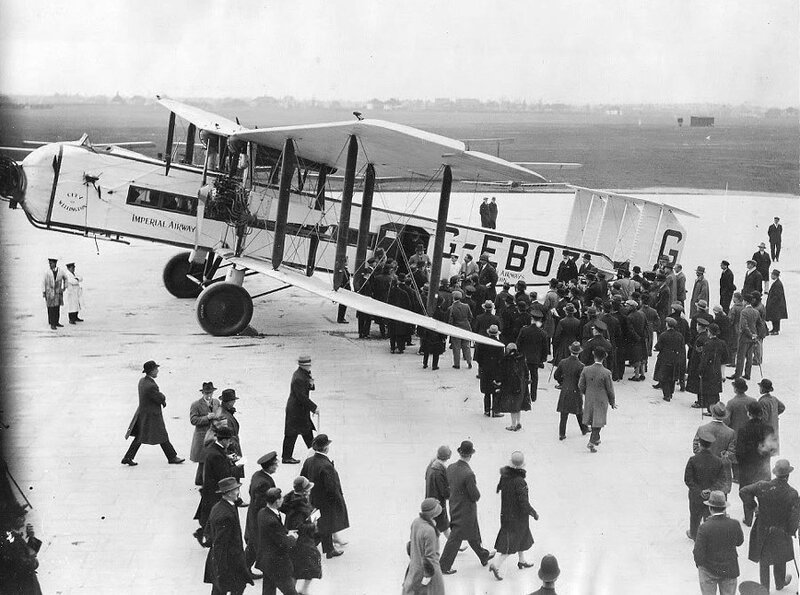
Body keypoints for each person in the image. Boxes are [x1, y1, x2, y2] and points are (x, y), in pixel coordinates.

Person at [739, 459, 800, 592]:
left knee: (764, 559)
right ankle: (780, 583)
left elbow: (743, 491)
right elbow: (795, 516)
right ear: (788, 475)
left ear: (775, 473)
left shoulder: (762, 486)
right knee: (780, 556)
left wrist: (754, 507)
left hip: (763, 528)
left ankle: (764, 588)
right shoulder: (792, 493)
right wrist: (791, 531)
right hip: (781, 531)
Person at [439, 440, 495, 574]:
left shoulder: (451, 467)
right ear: (470, 455)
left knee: (472, 533)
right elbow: (475, 495)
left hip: (454, 505)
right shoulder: (468, 474)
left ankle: (483, 555)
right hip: (466, 510)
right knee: (456, 537)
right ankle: (444, 565)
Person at [487, 451, 538, 581]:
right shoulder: (520, 481)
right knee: (511, 544)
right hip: (517, 517)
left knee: (522, 536)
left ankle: (522, 560)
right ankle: (496, 565)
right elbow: (523, 502)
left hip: (506, 514)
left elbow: (499, 487)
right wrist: (533, 512)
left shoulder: (505, 476)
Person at [122, 360, 184, 466]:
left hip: (144, 414)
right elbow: (159, 397)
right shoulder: (150, 386)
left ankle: (127, 457)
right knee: (162, 435)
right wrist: (163, 399)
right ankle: (172, 457)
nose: (157, 371)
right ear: (151, 371)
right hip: (152, 416)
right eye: (156, 369)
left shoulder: (142, 381)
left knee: (140, 436)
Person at [300, 434, 349, 559]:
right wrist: (338, 501)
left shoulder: (309, 461)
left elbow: (303, 478)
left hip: (313, 499)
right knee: (325, 525)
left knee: (322, 523)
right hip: (326, 501)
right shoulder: (326, 465)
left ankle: (329, 549)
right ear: (326, 448)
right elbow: (332, 487)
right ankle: (310, 549)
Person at [203, 478, 254, 595]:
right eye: (237, 490)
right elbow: (221, 543)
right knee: (237, 587)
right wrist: (221, 569)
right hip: (229, 562)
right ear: (229, 492)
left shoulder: (218, 507)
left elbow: (208, 531)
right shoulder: (226, 515)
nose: (238, 492)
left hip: (222, 560)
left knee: (219, 590)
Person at [195, 426, 240, 547]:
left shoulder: (214, 449)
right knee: (216, 517)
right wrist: (237, 466)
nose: (230, 443)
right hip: (216, 492)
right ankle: (206, 536)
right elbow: (224, 475)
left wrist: (227, 458)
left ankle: (204, 534)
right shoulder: (216, 455)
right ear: (224, 440)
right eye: (229, 440)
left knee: (211, 516)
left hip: (210, 490)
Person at [692, 491, 744, 595]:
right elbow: (739, 542)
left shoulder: (704, 527)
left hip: (708, 570)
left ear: (710, 508)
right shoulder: (734, 524)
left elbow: (698, 552)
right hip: (729, 569)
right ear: (725, 507)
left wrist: (702, 567)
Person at [684, 428, 727, 540]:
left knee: (694, 516)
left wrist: (699, 491)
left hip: (696, 496)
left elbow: (688, 479)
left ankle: (694, 534)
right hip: (711, 496)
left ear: (700, 444)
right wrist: (711, 490)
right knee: (709, 517)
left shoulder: (693, 460)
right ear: (711, 445)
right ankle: (709, 536)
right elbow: (722, 479)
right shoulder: (718, 461)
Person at [255, 487, 298, 595]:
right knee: (290, 591)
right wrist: (292, 537)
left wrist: (287, 532)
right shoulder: (272, 520)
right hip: (277, 564)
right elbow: (283, 543)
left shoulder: (262, 512)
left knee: (268, 590)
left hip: (266, 561)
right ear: (276, 501)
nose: (283, 500)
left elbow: (276, 532)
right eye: (281, 498)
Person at [402, 497, 445, 595]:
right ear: (434, 512)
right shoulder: (429, 530)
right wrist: (428, 575)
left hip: (415, 567)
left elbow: (410, 545)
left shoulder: (416, 522)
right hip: (430, 571)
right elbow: (429, 556)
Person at [244, 452, 279, 573]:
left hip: (253, 514)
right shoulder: (264, 483)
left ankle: (245, 568)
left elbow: (250, 492)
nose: (277, 466)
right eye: (275, 464)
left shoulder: (257, 475)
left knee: (254, 543)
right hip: (258, 516)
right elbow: (261, 502)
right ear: (269, 466)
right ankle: (245, 569)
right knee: (256, 543)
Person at [736, 403, 775, 507]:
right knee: (764, 494)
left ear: (749, 413)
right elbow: (772, 448)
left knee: (746, 493)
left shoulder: (743, 429)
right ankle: (761, 515)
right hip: (763, 468)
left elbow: (739, 452)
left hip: (747, 468)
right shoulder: (769, 428)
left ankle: (748, 517)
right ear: (761, 413)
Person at [0, 502, 43, 594]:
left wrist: (31, 538)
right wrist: (33, 561)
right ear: (12, 520)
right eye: (19, 517)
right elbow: (23, 562)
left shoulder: (14, 535)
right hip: (22, 586)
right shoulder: (10, 539)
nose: (23, 519)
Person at [693, 403, 737, 494]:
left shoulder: (702, 429)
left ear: (713, 414)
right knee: (720, 501)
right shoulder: (731, 432)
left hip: (704, 468)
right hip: (722, 472)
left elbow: (695, 448)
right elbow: (731, 454)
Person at [579, 348, 616, 453]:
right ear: (604, 357)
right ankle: (592, 440)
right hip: (601, 399)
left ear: (593, 355)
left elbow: (580, 385)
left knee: (592, 418)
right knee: (598, 421)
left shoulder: (586, 369)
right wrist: (612, 402)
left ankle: (596, 438)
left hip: (589, 397)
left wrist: (586, 392)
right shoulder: (606, 372)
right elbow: (610, 390)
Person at [282, 356, 318, 464]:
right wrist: (314, 408)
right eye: (308, 365)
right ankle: (287, 457)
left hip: (299, 409)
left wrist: (311, 384)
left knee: (305, 431)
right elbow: (301, 396)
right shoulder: (299, 377)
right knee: (293, 433)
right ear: (303, 366)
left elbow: (308, 387)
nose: (310, 366)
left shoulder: (303, 374)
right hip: (296, 410)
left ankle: (314, 453)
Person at [555, 342, 589, 440]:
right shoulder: (581, 365)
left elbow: (556, 375)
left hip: (565, 389)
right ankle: (584, 428)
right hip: (576, 390)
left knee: (564, 413)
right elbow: (582, 380)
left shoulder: (563, 362)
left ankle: (562, 433)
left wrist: (562, 382)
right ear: (579, 353)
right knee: (578, 410)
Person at [190, 382, 221, 486]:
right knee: (203, 459)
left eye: (210, 393)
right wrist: (207, 418)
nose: (208, 395)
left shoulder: (216, 402)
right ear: (202, 393)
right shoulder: (196, 405)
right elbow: (193, 420)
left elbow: (220, 414)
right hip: (202, 435)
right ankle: (201, 480)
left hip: (214, 433)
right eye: (206, 393)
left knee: (211, 457)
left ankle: (203, 479)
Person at [496, 343, 530, 432]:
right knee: (518, 405)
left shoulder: (508, 360)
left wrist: (500, 382)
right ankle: (518, 422)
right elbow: (526, 372)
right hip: (522, 385)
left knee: (513, 406)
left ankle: (513, 425)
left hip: (512, 385)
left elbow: (504, 374)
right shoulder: (522, 358)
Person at [516, 310, 547, 402]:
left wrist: (520, 354)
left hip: (524, 357)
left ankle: (523, 395)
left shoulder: (524, 330)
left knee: (523, 376)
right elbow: (545, 348)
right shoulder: (542, 333)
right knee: (534, 377)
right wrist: (542, 359)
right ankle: (533, 396)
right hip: (535, 359)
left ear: (531, 319)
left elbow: (518, 343)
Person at [474, 325, 505, 417]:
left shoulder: (483, 343)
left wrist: (482, 365)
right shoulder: (499, 344)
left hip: (485, 369)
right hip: (496, 369)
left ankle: (487, 410)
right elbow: (501, 359)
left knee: (487, 391)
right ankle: (495, 410)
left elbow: (478, 357)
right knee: (496, 391)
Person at [425, 446, 452, 537]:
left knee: (441, 526)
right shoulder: (440, 470)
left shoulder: (431, 466)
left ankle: (455, 546)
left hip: (429, 501)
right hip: (438, 504)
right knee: (440, 527)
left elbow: (426, 478)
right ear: (447, 457)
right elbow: (444, 492)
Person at [731, 294, 760, 380]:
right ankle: (748, 374)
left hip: (744, 337)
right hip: (753, 337)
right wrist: (755, 335)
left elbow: (744, 326)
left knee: (741, 356)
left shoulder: (744, 312)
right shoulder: (756, 311)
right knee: (749, 356)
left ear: (745, 301)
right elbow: (759, 324)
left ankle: (738, 374)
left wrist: (750, 334)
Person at [290, 519, 321, 595]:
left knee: (308, 567)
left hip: (306, 541)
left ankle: (303, 589)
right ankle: (292, 591)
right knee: (296, 570)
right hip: (300, 542)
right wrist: (313, 525)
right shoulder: (296, 510)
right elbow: (298, 526)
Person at [756, 379, 785, 455]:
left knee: (764, 453)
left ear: (763, 389)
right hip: (774, 428)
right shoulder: (774, 399)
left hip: (766, 430)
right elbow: (782, 407)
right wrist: (774, 414)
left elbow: (764, 418)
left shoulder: (762, 401)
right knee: (771, 452)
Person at [447, 291, 473, 369]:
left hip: (456, 328)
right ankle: (469, 362)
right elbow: (470, 316)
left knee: (456, 347)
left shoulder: (451, 308)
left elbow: (450, 320)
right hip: (466, 327)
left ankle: (457, 364)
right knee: (466, 346)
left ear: (453, 298)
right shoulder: (466, 306)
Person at [42, 257, 67, 329]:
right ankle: (52, 323)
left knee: (57, 308)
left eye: (51, 263)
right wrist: (44, 291)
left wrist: (64, 287)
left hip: (58, 292)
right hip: (49, 292)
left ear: (55, 263)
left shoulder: (60, 271)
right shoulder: (47, 272)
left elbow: (65, 278)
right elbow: (43, 282)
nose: (50, 265)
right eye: (49, 263)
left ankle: (56, 322)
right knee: (51, 308)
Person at [765, 270, 787, 334]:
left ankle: (776, 330)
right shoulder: (776, 282)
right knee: (774, 317)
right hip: (776, 303)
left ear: (775, 275)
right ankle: (774, 329)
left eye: (772, 274)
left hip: (776, 304)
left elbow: (777, 295)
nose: (771, 276)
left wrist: (772, 302)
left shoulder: (777, 284)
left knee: (776, 317)